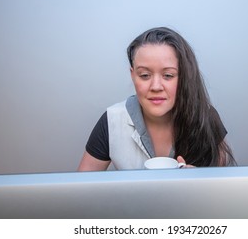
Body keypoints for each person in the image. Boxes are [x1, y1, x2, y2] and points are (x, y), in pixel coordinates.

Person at [78, 27, 235, 171]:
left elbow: (224, 191)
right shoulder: (112, 120)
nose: (156, 86)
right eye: (145, 75)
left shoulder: (204, 116)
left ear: (184, 77)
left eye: (168, 75)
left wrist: (199, 182)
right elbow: (80, 193)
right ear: (133, 75)